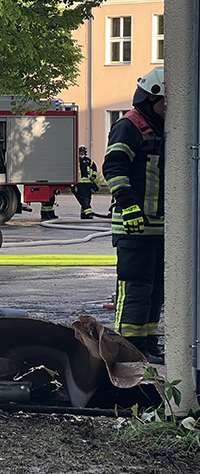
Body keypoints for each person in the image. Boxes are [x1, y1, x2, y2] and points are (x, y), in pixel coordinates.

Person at [103, 67, 165, 364]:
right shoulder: (129, 126)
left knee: (155, 290)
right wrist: (128, 205)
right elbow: (114, 168)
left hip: (159, 227)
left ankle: (148, 343)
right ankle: (130, 347)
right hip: (133, 226)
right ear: (151, 98)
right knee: (135, 287)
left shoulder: (161, 129)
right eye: (166, 102)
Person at [71, 145, 100, 219]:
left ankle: (83, 214)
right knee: (84, 198)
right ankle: (89, 213)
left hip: (87, 183)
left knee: (88, 198)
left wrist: (93, 176)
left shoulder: (88, 161)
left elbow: (94, 167)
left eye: (83, 152)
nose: (81, 153)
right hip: (79, 183)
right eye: (80, 151)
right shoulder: (74, 160)